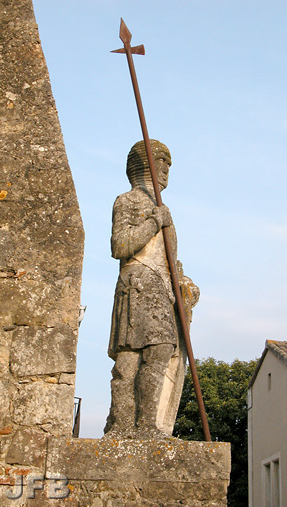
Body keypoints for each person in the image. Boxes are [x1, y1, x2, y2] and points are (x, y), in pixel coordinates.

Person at [104, 140, 199, 438]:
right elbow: (120, 246)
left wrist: (183, 283)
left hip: (160, 290)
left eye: (169, 164)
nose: (166, 170)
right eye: (162, 161)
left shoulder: (162, 209)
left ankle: (147, 424)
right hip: (137, 284)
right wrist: (154, 222)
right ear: (144, 164)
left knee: (160, 353)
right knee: (129, 359)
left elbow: (170, 261)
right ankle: (121, 426)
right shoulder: (128, 201)